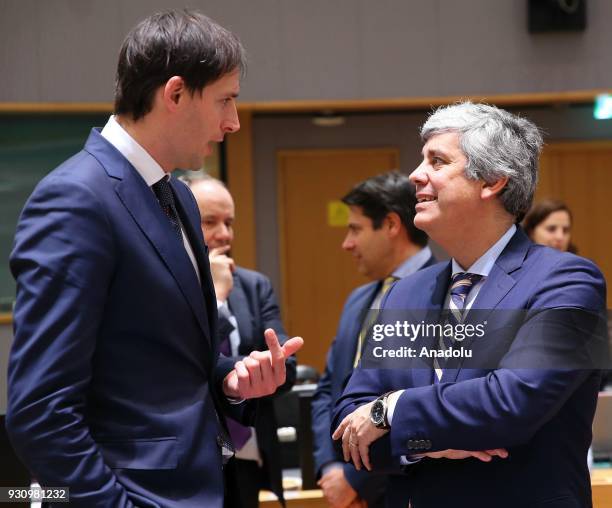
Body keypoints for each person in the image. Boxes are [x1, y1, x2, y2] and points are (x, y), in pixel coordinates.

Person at [6, 10, 302, 508]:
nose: (232, 122)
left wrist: (230, 381)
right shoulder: (76, 198)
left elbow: (165, 363)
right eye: (225, 101)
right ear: (176, 93)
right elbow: (41, 408)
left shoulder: (180, 198)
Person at [332, 103, 606, 507]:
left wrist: (391, 411)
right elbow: (346, 428)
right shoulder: (404, 293)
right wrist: (427, 441)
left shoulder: (569, 282)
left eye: (437, 160)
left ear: (492, 181)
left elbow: (511, 403)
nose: (415, 175)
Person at [311, 171, 435, 508]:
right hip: (342, 491)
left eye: (356, 229)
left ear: (392, 225)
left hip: (408, 489)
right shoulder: (357, 300)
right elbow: (328, 389)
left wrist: (355, 481)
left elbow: (426, 401)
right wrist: (332, 466)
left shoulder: (447, 293)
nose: (347, 243)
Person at [188, 176, 295, 508]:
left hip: (247, 450)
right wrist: (217, 299)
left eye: (229, 223)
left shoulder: (253, 285)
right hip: (191, 451)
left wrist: (257, 373)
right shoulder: (167, 287)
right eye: (210, 222)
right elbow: (187, 363)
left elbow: (285, 367)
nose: (224, 234)